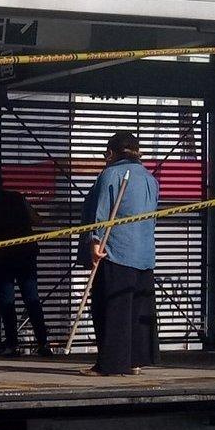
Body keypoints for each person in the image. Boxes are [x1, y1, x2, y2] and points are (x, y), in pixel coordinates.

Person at [79, 131, 159, 376]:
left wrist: (94, 242)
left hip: (116, 250)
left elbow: (101, 210)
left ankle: (110, 363)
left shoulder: (111, 174)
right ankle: (135, 360)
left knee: (111, 307)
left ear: (111, 153)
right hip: (144, 253)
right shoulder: (149, 178)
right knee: (137, 308)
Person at [0, 171, 51, 357]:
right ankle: (43, 343)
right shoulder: (18, 198)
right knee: (32, 299)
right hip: (25, 255)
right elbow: (37, 219)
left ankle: (11, 344)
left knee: (7, 301)